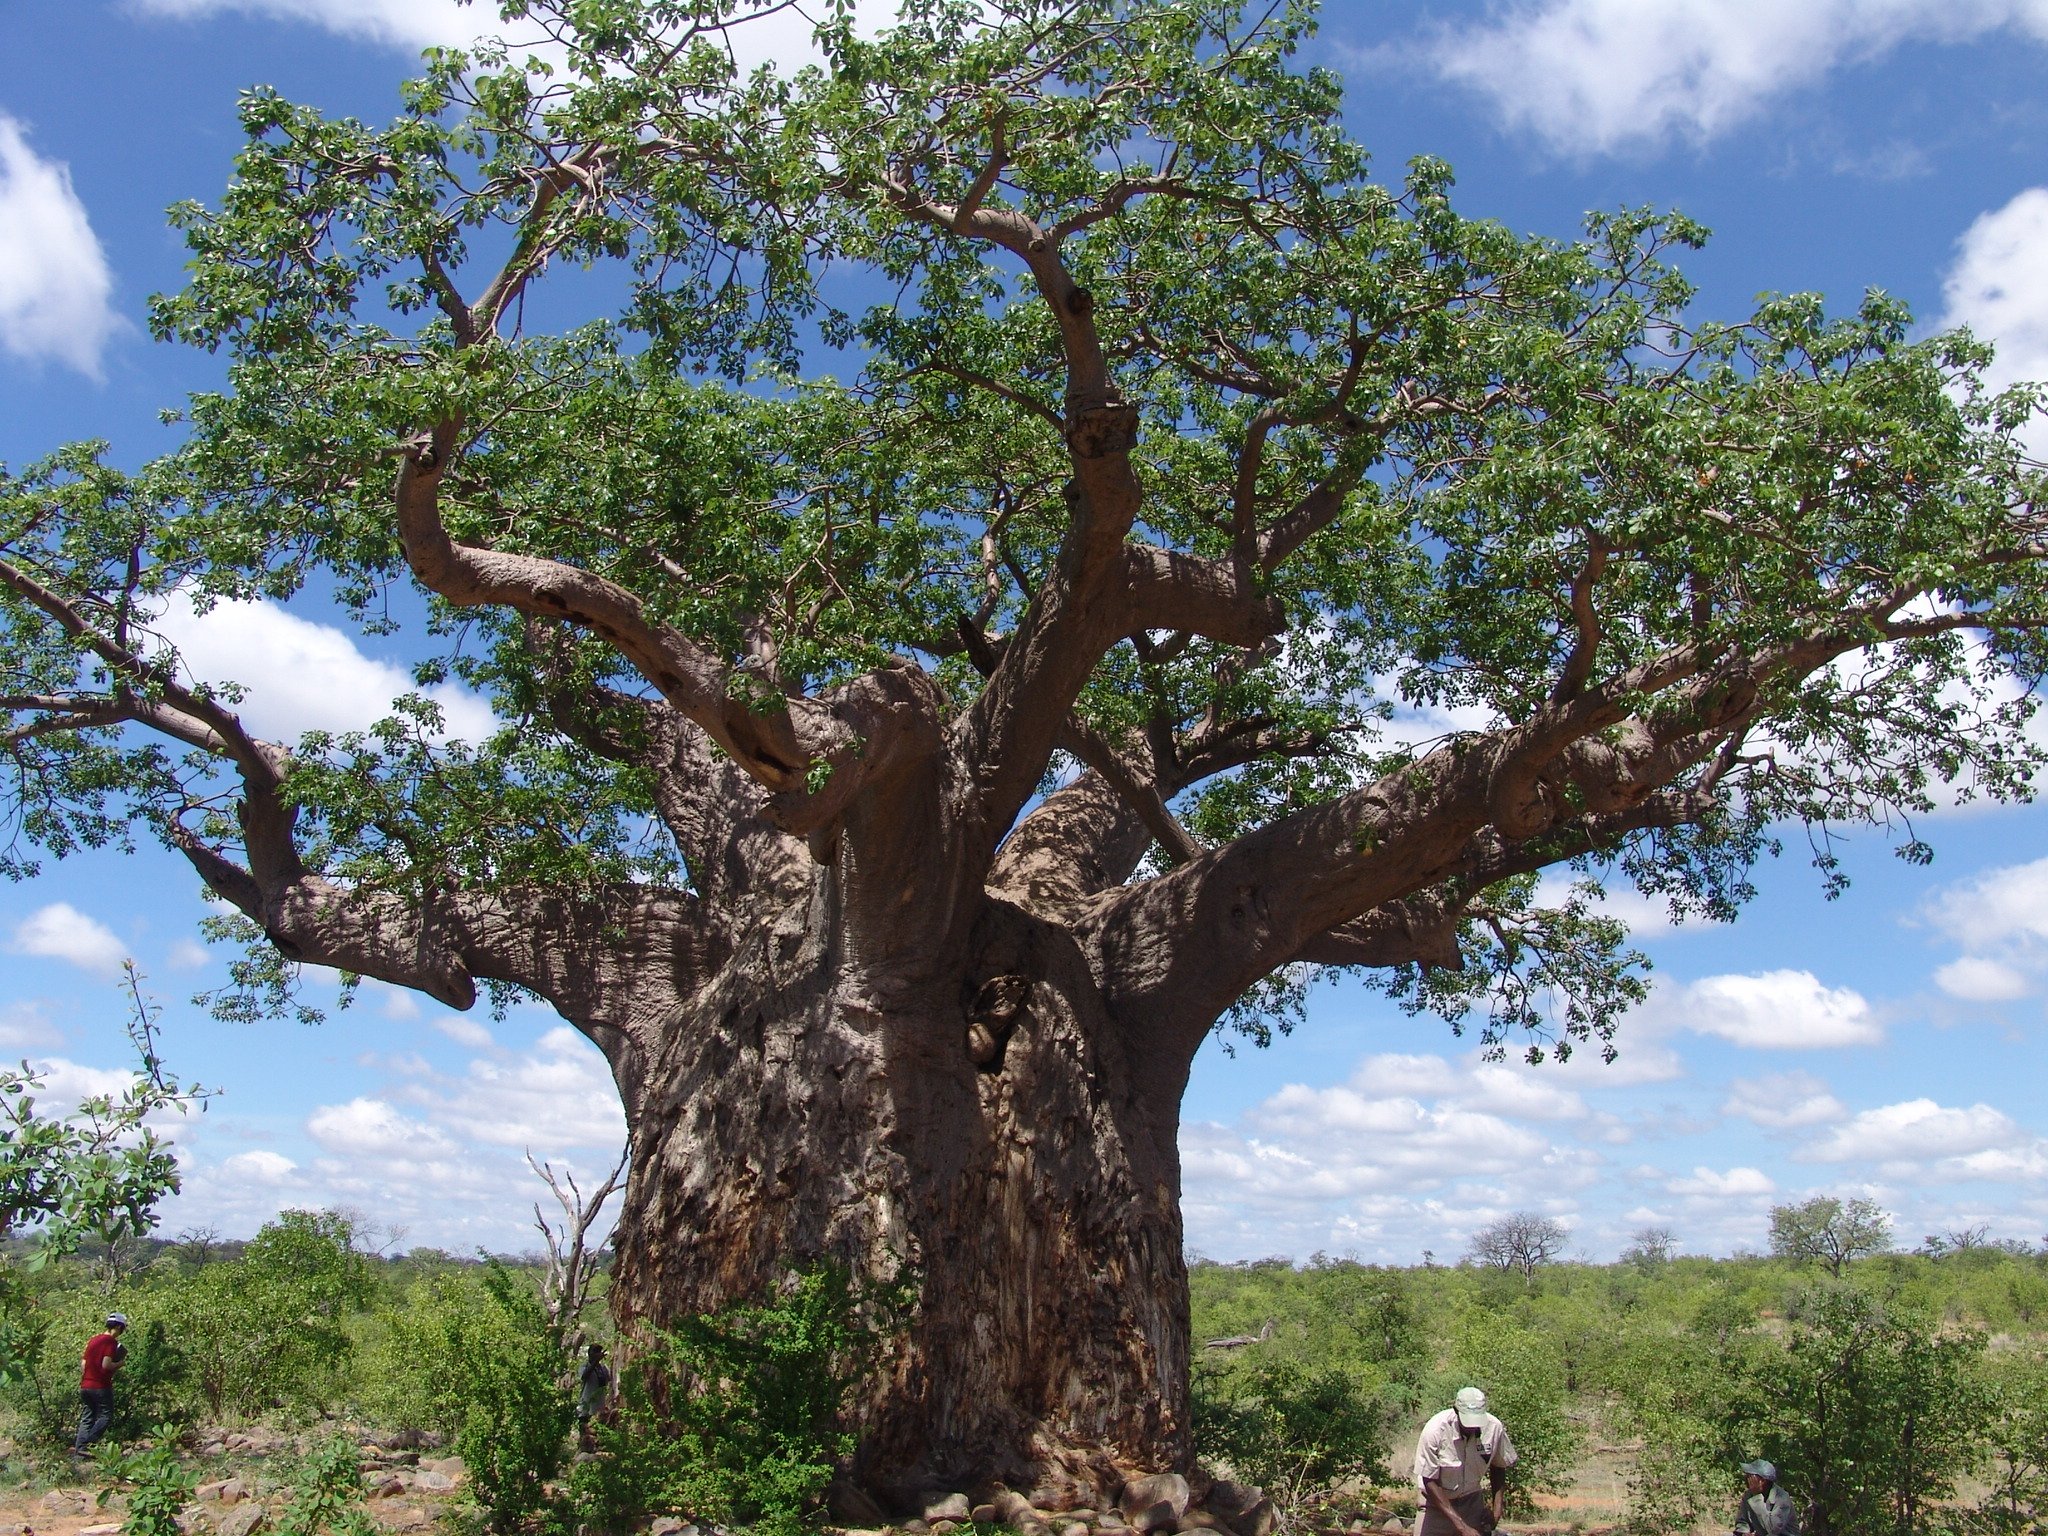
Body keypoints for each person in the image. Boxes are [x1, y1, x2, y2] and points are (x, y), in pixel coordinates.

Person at [1413, 1386, 1517, 1536]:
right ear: (1456, 1411)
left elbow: (1499, 1466)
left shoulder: (1494, 1428)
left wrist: (1497, 1510)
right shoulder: (1435, 1431)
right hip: (1435, 1505)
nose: (1473, 1427)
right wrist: (1462, 1527)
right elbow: (1429, 1480)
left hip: (1472, 1503)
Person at [71, 1312, 128, 1458]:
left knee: (87, 1417)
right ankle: (87, 1445)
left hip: (85, 1385)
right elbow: (106, 1364)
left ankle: (79, 1454)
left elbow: (83, 1364)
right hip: (101, 1386)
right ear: (118, 1327)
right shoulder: (110, 1342)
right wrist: (120, 1364)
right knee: (106, 1415)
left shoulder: (93, 1340)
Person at [1732, 1459, 1800, 1535]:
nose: (1747, 1478)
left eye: (1750, 1476)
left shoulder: (1782, 1498)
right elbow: (1742, 1521)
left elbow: (1773, 1530)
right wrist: (1744, 1533)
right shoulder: (1749, 1495)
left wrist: (1757, 1498)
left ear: (1762, 1481)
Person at [575, 1342, 612, 1449]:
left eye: (598, 1352)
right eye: (595, 1352)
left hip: (599, 1409)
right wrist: (595, 1362)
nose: (597, 1354)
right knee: (585, 1439)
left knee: (597, 1438)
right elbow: (584, 1376)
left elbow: (608, 1381)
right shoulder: (584, 1366)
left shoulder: (603, 1368)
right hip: (586, 1408)